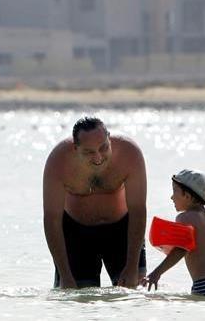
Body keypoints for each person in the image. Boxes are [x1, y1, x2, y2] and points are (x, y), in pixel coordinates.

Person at [42, 116, 147, 288]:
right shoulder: (58, 162)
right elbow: (52, 219)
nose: (98, 158)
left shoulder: (130, 153)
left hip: (121, 231)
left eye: (103, 148)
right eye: (89, 152)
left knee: (133, 296)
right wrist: (65, 275)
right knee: (76, 301)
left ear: (109, 138)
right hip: (76, 234)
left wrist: (132, 266)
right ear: (75, 148)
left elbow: (138, 210)